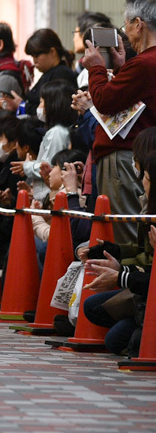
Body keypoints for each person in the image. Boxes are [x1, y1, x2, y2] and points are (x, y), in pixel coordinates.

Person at [82, 0, 156, 251]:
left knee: (124, 232)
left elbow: (104, 100)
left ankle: (125, 282)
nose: (126, 35)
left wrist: (95, 68)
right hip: (142, 156)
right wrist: (123, 67)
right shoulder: (142, 64)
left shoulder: (145, 63)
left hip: (125, 156)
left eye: (125, 27)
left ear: (138, 24)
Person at [83, 153, 154, 356]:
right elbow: (142, 252)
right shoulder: (147, 210)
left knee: (117, 341)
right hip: (143, 286)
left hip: (146, 286)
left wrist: (122, 274)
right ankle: (139, 321)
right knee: (92, 307)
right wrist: (113, 251)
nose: (142, 182)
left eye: (146, 178)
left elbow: (149, 267)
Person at [3, 28, 76, 115]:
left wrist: (22, 106)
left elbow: (53, 111)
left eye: (37, 55)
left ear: (52, 52)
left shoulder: (61, 74)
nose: (34, 61)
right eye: (32, 56)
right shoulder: (50, 72)